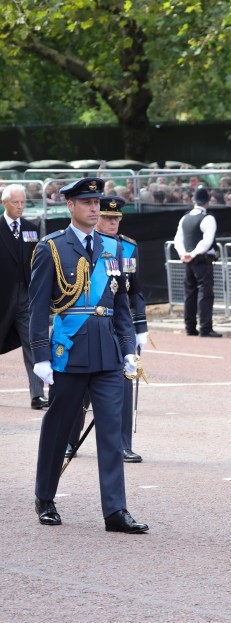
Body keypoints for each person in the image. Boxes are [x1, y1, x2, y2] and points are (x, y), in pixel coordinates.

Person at [28, 177, 148, 533]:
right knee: (58, 427)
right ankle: (45, 495)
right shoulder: (52, 247)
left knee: (111, 433)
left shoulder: (112, 249)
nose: (95, 208)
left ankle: (115, 510)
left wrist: (129, 350)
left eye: (96, 202)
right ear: (70, 206)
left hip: (108, 355)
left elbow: (121, 306)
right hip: (70, 352)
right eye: (86, 202)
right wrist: (40, 357)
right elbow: (36, 308)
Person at [64, 196, 150, 462]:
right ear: (96, 217)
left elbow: (134, 291)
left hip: (118, 324)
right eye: (107, 218)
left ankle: (123, 443)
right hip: (88, 323)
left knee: (124, 386)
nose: (112, 223)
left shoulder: (127, 247)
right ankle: (70, 438)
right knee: (81, 388)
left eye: (116, 219)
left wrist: (141, 327)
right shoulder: (81, 246)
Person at [0, 184, 47, 409]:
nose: (20, 206)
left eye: (22, 202)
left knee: (33, 343)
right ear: (4, 203)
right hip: (2, 297)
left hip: (26, 296)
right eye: (15, 202)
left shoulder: (31, 227)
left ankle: (37, 394)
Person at [174, 186, 221, 337]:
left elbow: (178, 240)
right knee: (205, 293)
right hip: (201, 260)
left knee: (190, 293)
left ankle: (190, 327)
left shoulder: (185, 217)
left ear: (194, 200)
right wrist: (193, 254)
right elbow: (207, 242)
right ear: (207, 202)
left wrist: (184, 254)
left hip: (188, 261)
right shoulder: (208, 218)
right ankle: (205, 328)